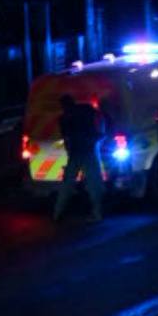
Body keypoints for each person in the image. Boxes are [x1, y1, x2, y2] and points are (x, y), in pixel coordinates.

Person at [53, 94, 105, 222]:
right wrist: (98, 138)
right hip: (88, 150)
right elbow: (99, 120)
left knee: (67, 184)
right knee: (94, 183)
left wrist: (70, 151)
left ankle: (57, 213)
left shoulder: (64, 118)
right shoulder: (86, 110)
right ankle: (97, 213)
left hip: (76, 153)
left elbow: (67, 139)